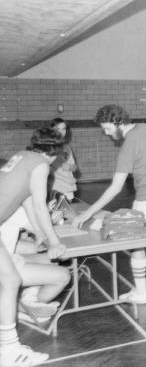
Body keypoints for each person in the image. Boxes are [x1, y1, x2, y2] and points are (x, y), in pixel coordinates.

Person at [72, 105, 146, 304]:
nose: (106, 133)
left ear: (117, 122)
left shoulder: (128, 145)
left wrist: (88, 213)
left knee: (136, 245)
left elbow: (116, 187)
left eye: (107, 128)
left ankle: (140, 293)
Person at [0, 128, 67, 367]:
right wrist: (55, 241)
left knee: (9, 281)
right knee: (10, 281)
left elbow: (26, 200)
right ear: (56, 153)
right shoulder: (41, 164)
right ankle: (9, 351)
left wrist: (41, 233)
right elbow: (39, 206)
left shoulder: (21, 157)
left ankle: (9, 344)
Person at [1, 207, 70, 323]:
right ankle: (24, 307)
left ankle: (28, 296)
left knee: (51, 260)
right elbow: (41, 232)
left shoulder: (7, 200)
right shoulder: (15, 208)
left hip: (7, 257)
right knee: (64, 275)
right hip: (5, 264)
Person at [49, 118, 78, 203]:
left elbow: (74, 167)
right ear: (52, 130)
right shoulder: (48, 147)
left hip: (68, 187)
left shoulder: (67, 147)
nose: (61, 132)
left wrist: (68, 167)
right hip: (56, 188)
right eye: (58, 129)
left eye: (64, 129)